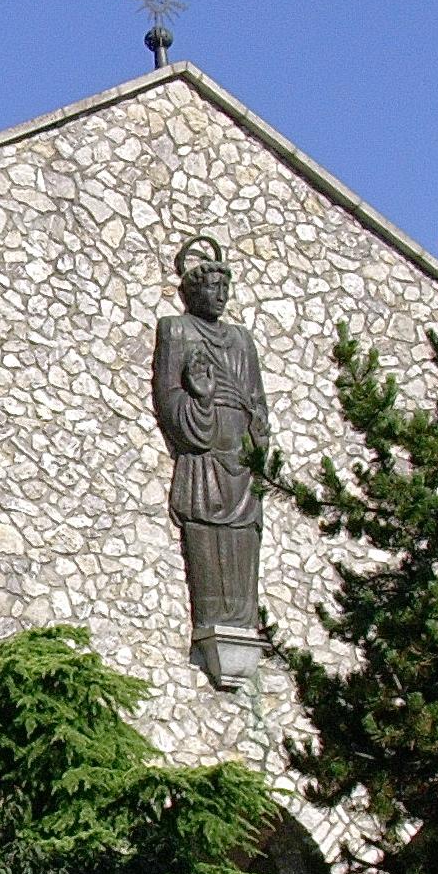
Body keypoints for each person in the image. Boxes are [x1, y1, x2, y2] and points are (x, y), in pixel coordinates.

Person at [151, 237, 271, 639]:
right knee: (203, 526)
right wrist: (199, 398)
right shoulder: (177, 330)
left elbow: (257, 399)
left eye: (225, 289)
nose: (219, 296)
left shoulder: (241, 340)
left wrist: (256, 439)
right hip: (203, 453)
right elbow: (169, 398)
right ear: (191, 290)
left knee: (244, 535)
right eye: (210, 287)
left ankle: (241, 624)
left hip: (239, 455)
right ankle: (211, 621)